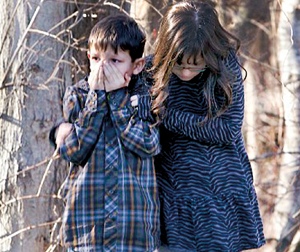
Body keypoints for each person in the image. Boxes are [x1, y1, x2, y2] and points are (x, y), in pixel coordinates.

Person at [150, 1, 266, 251]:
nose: (186, 73)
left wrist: (167, 116)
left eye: (195, 65)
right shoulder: (155, 70)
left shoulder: (226, 66)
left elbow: (227, 129)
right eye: (179, 64)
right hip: (175, 195)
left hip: (220, 196)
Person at [49, 14, 160, 252]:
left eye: (114, 61)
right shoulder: (78, 96)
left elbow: (149, 144)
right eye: (97, 59)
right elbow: (72, 150)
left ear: (136, 65)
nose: (102, 68)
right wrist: (97, 98)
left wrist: (118, 101)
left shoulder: (144, 99)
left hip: (132, 231)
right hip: (86, 229)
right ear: (88, 58)